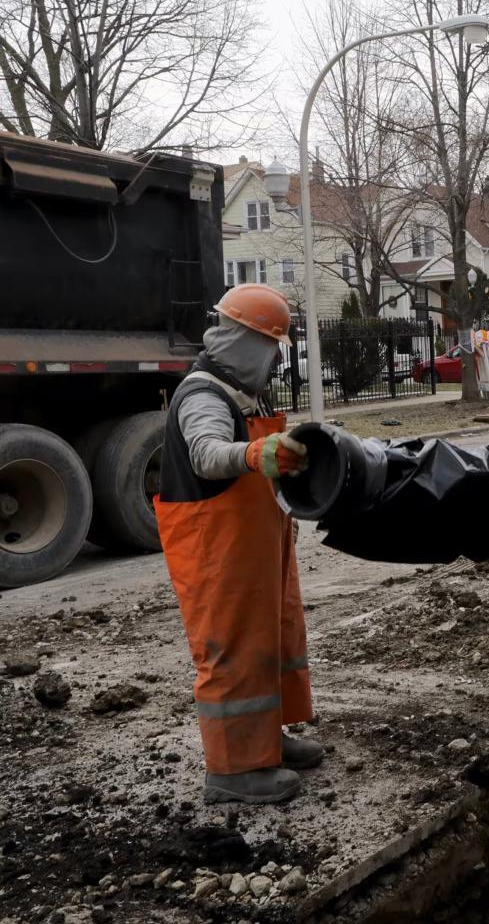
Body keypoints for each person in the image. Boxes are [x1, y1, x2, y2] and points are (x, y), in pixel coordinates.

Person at [154, 284, 323, 805]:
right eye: (273, 349)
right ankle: (233, 770)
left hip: (249, 543)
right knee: (232, 648)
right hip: (216, 546)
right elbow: (207, 454)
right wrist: (256, 455)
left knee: (271, 637)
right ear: (251, 343)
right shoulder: (205, 393)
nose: (274, 362)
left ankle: (265, 738)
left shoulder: (239, 389)